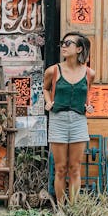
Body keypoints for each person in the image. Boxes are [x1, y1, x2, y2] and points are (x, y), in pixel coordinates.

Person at [43, 32, 95, 205]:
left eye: (68, 43)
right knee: (60, 168)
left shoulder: (89, 73)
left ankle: (73, 209)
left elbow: (87, 92)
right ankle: (60, 208)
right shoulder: (53, 70)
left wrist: (89, 105)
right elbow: (45, 88)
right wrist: (48, 102)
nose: (63, 46)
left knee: (75, 168)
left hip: (79, 121)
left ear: (79, 48)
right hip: (58, 119)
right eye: (62, 43)